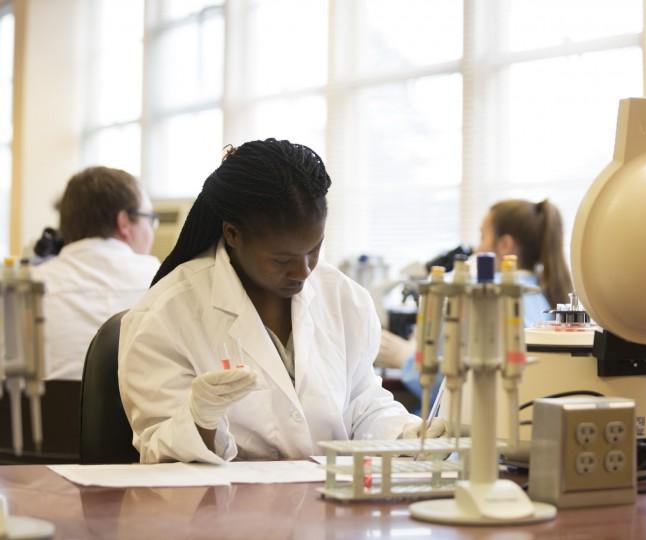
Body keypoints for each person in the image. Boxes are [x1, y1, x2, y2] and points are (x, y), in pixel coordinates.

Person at [118, 139, 446, 464]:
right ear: (233, 234)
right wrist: (200, 419)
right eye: (282, 260)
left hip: (327, 504)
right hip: (225, 510)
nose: (303, 271)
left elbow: (361, 402)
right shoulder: (164, 314)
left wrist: (404, 435)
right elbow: (156, 453)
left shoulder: (344, 298)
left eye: (313, 249)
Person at [378, 198, 573, 406]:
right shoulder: (542, 296)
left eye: (482, 236)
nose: (476, 249)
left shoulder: (480, 296)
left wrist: (406, 358)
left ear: (505, 244)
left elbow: (445, 382)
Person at [32, 166, 160, 380]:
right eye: (150, 218)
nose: (151, 231)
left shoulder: (23, 291)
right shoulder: (162, 280)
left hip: (42, 412)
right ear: (124, 222)